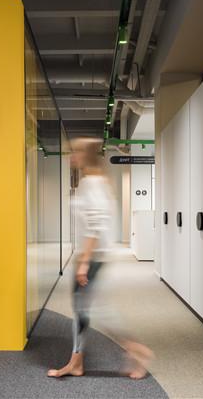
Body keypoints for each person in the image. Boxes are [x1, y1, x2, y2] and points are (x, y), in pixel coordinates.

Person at [47, 137, 154, 380]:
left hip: (91, 258)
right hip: (90, 256)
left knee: (93, 309)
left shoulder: (92, 184)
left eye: (75, 152)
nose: (71, 156)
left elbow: (95, 227)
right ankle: (76, 362)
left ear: (86, 156)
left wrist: (84, 262)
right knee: (82, 309)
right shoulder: (93, 181)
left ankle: (137, 350)